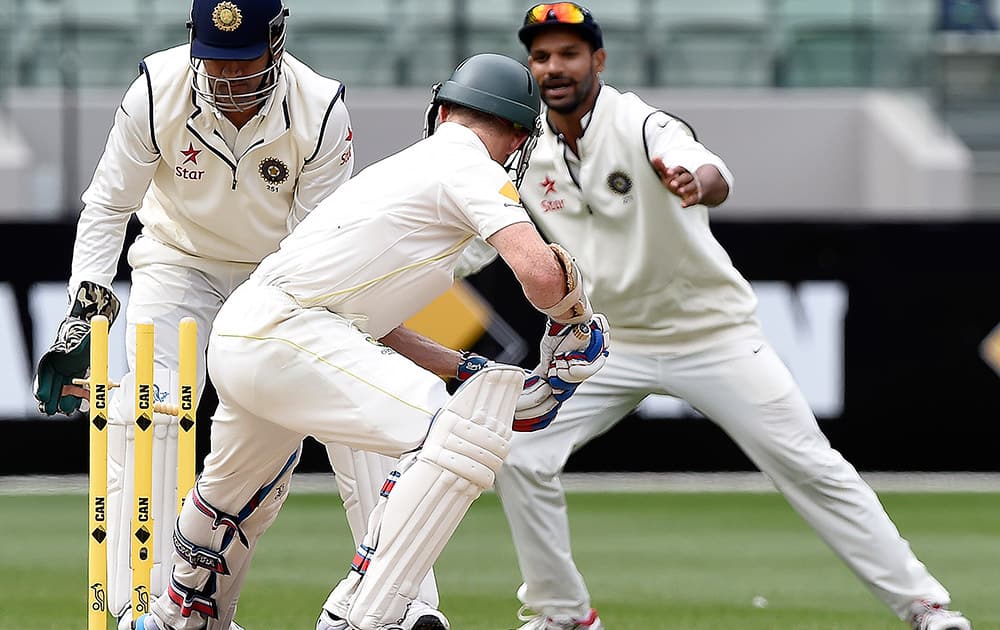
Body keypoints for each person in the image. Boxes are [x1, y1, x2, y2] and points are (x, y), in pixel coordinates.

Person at [480, 4, 974, 630]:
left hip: (711, 335)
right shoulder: (528, 150)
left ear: (597, 61)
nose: (554, 68)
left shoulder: (639, 123)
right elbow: (481, 235)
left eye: (569, 54)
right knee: (521, 455)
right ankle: (563, 616)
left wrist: (696, 179)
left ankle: (927, 608)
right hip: (605, 342)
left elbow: (707, 167)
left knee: (813, 468)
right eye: (542, 56)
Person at [130, 52, 609, 630]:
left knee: (236, 495)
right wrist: (574, 318)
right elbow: (539, 276)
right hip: (289, 334)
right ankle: (367, 611)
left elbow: (369, 322)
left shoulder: (402, 172)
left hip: (257, 335)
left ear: (441, 110)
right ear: (517, 134)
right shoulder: (469, 163)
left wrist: (464, 369)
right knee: (460, 436)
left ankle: (181, 614)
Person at [30, 1, 446, 628]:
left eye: (241, 63)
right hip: (177, 265)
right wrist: (82, 313)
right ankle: (137, 605)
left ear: (276, 45)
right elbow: (108, 206)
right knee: (144, 412)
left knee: (353, 413)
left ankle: (403, 604)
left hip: (281, 276)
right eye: (213, 63)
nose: (224, 81)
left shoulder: (320, 108)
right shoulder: (156, 88)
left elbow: (320, 249)